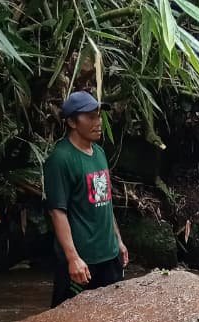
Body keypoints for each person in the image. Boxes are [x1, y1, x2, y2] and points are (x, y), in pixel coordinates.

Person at [43, 90, 129, 308]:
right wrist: (73, 258)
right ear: (72, 122)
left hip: (109, 256)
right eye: (90, 117)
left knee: (111, 316)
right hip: (83, 261)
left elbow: (105, 202)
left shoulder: (99, 153)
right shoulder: (60, 159)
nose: (98, 122)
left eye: (98, 116)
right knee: (67, 320)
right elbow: (57, 212)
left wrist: (118, 241)